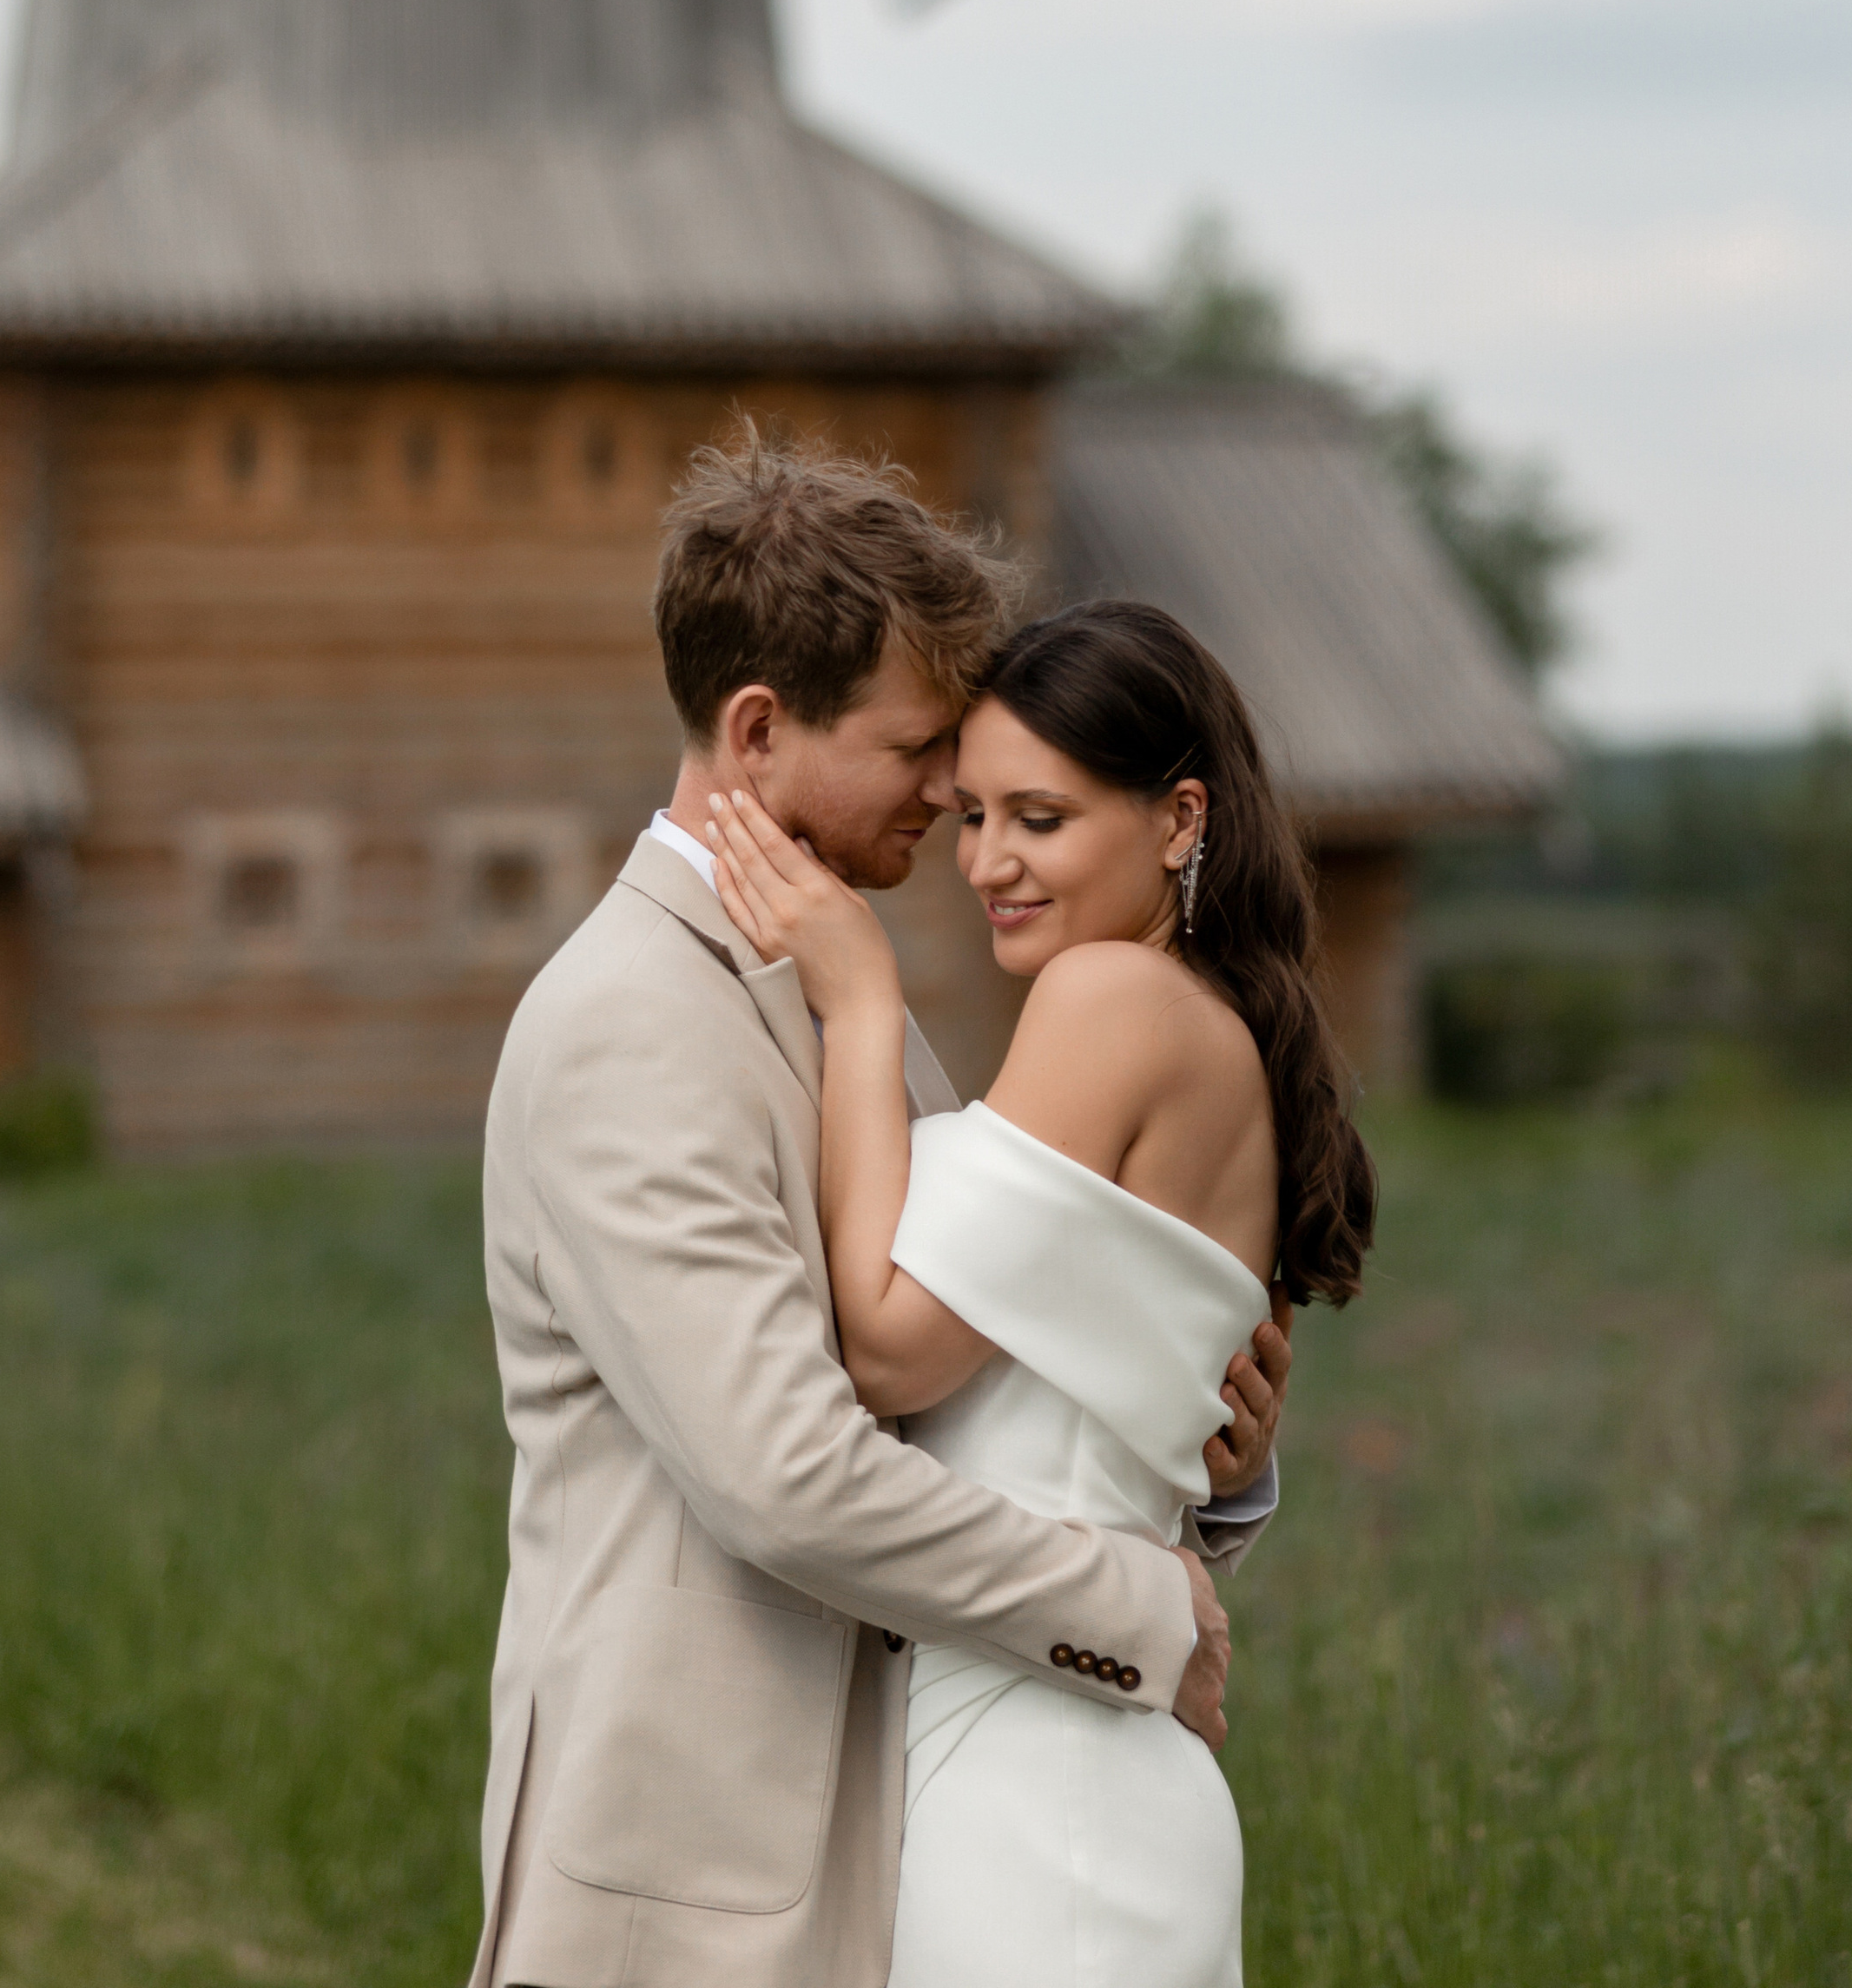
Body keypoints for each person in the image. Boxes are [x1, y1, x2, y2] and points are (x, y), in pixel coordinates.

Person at [469, 431, 1293, 1988]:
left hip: (921, 1830)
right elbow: (789, 1476)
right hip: (702, 1882)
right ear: (760, 728)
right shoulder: (628, 1023)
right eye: (921, 752)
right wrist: (1137, 1606)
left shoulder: (853, 991)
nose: (951, 796)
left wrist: (1203, 1448)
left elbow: (976, 1378)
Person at [707, 593, 1377, 1988]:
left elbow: (891, 1354)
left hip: (1048, 1781)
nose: (988, 862)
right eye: (971, 817)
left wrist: (863, 1004)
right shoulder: (1215, 1023)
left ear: (1180, 821)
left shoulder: (1110, 1005)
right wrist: (1235, 1481)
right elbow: (1141, 1429)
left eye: (1041, 820)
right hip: (1054, 1742)